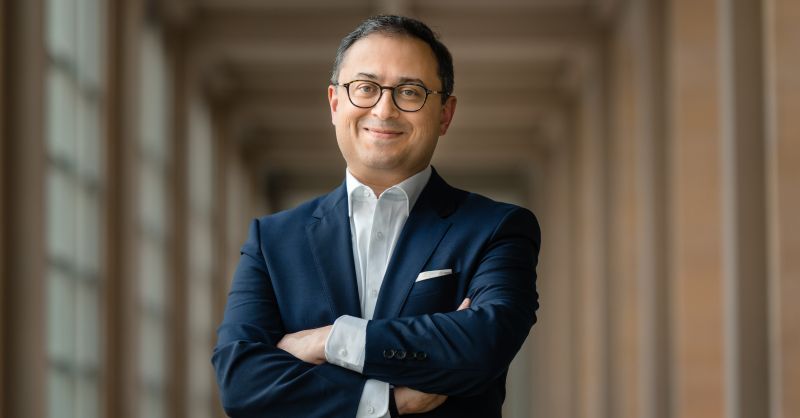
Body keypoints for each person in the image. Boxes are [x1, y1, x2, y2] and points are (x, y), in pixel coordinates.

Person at [212, 15, 541, 418]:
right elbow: (241, 382)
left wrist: (331, 341)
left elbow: (482, 346)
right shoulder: (272, 240)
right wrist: (389, 401)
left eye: (410, 91)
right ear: (335, 104)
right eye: (365, 88)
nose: (384, 109)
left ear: (445, 114)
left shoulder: (497, 229)